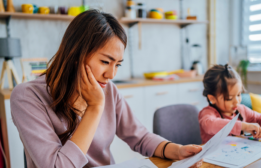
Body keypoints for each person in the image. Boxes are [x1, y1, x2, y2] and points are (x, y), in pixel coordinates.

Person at [10, 10, 203, 168]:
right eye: (105, 62)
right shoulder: (28, 97)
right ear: (76, 54)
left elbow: (141, 137)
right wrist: (95, 108)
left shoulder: (108, 90)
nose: (111, 75)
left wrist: (177, 151)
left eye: (117, 64)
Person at [198, 64, 261, 143]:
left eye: (239, 94)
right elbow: (210, 125)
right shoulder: (207, 113)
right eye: (229, 98)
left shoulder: (241, 110)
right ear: (212, 98)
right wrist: (244, 126)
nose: (237, 101)